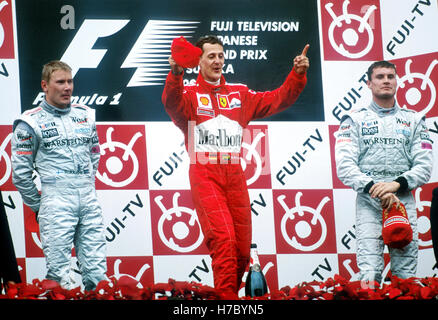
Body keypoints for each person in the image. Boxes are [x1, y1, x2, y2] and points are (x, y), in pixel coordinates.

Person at [162, 35, 309, 298]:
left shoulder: (240, 93)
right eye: (211, 56)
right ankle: (227, 301)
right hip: (204, 174)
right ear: (199, 61)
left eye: (220, 55)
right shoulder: (189, 95)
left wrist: (296, 76)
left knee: (241, 250)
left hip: (235, 175)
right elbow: (172, 104)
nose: (217, 61)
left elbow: (278, 99)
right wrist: (176, 74)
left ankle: (227, 294)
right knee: (224, 241)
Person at [335, 60, 433, 286]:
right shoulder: (354, 119)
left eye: (391, 76)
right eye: (380, 77)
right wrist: (376, 188)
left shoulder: (415, 119)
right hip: (369, 202)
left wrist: (396, 185)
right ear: (369, 83)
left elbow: (425, 166)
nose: (386, 81)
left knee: (406, 276)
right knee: (369, 274)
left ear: (397, 81)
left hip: (403, 201)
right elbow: (345, 165)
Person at [11, 60, 107, 291]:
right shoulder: (29, 122)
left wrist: (84, 183)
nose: (67, 87)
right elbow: (21, 174)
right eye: (60, 82)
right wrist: (40, 206)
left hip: (88, 198)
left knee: (97, 273)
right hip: (55, 202)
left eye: (70, 81)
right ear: (45, 85)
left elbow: (94, 154)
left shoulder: (85, 115)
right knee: (59, 274)